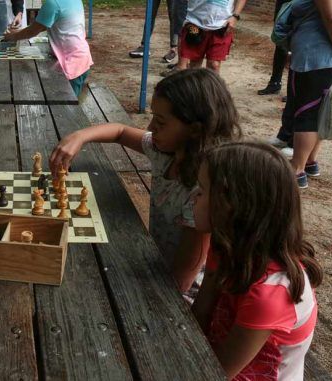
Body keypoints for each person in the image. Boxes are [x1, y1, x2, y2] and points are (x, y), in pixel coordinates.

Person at [49, 69, 241, 296]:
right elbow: (119, 131)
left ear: (195, 130)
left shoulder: (202, 190)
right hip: (156, 259)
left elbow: (183, 279)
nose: (150, 127)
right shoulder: (166, 151)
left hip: (177, 291)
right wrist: (79, 136)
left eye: (160, 122)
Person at [191, 142, 322, 379]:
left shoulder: (270, 294)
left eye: (201, 191)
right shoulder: (226, 245)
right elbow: (199, 316)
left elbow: (217, 373)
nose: (193, 197)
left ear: (232, 206)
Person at [285, 0, 332, 188]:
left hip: (316, 56)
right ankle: (310, 161)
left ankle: (297, 169)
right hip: (325, 57)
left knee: (306, 113)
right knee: (320, 111)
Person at [3, 0, 93, 96]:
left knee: (67, 106)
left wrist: (12, 36)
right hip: (83, 58)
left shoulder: (53, 4)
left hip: (71, 64)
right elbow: (46, 24)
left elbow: (33, 31)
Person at [174, 0, 247, 74]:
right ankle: (195, 84)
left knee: (214, 65)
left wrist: (235, 16)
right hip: (195, 22)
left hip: (222, 24)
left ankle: (212, 85)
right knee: (194, 64)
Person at [258, 0, 290, 96]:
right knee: (280, 44)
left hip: (299, 7)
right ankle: (275, 83)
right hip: (283, 4)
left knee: (298, 48)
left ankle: (294, 91)